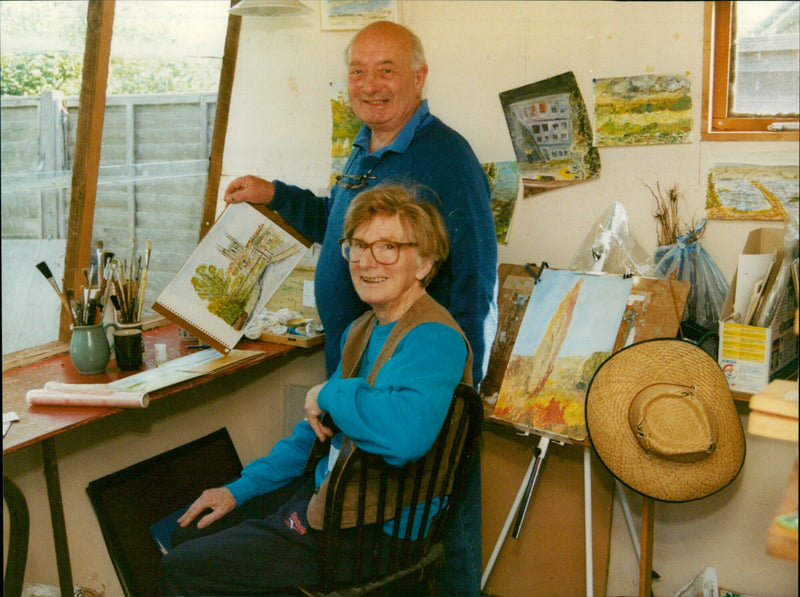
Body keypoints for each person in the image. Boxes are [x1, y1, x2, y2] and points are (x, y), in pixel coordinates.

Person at [224, 21, 494, 595]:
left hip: (416, 381)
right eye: (357, 71)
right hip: (355, 368)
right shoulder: (364, 145)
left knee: (437, 533)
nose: (370, 85)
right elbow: (341, 222)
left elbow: (474, 276)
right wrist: (273, 194)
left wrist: (456, 396)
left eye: (387, 70)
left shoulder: (445, 157)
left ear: (419, 79)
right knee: (357, 522)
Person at [160, 185, 472, 595]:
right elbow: (315, 434)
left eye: (388, 247)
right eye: (358, 245)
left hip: (374, 532)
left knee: (182, 568)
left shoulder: (433, 337)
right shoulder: (363, 329)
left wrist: (327, 393)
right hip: (334, 497)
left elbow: (405, 437)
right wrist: (238, 490)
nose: (366, 261)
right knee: (190, 533)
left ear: (424, 262)